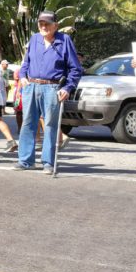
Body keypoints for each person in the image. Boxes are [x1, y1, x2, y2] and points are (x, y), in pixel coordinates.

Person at [14, 10, 83, 174]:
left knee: (51, 125)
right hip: (31, 86)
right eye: (41, 24)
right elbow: (26, 62)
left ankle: (48, 162)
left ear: (55, 26)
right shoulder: (34, 39)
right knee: (28, 123)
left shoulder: (64, 40)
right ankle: (25, 161)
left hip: (52, 87)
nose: (43, 27)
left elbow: (76, 69)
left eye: (47, 24)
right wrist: (23, 77)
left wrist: (67, 88)